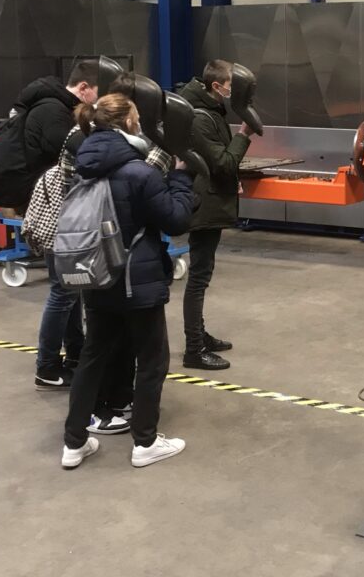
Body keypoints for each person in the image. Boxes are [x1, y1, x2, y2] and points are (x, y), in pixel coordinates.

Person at [61, 94, 194, 469]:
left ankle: (73, 443)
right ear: (129, 123)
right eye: (137, 117)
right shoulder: (140, 173)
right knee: (152, 361)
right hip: (138, 281)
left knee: (93, 358)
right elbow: (176, 221)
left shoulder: (83, 166)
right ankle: (145, 443)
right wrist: (181, 178)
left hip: (96, 275)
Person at [26, 59, 99, 391]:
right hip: (65, 227)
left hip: (66, 225)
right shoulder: (74, 132)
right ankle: (46, 366)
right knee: (63, 294)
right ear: (85, 89)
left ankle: (74, 354)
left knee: (69, 293)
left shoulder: (70, 124)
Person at [179, 60, 253, 370]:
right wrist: (244, 135)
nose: (231, 92)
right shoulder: (200, 117)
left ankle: (200, 335)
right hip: (204, 204)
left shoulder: (210, 111)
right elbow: (222, 162)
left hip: (210, 200)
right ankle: (194, 349)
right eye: (230, 87)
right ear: (215, 86)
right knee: (198, 278)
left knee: (202, 273)